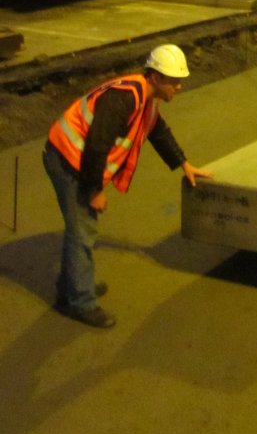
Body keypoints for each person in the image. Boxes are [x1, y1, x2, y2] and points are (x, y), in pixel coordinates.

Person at [43, 43, 213, 329]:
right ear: (156, 78)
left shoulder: (144, 98)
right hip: (66, 159)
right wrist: (95, 190)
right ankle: (80, 302)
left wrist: (184, 164)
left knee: (81, 227)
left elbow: (157, 131)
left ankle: (73, 287)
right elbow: (97, 145)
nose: (179, 86)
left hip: (74, 159)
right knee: (82, 229)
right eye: (174, 81)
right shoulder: (124, 99)